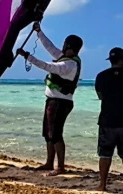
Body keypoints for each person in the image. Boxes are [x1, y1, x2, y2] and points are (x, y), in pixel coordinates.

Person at [16, 22, 83, 175]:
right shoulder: (64, 57)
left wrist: (27, 56)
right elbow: (50, 47)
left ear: (70, 47)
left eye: (66, 46)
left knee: (56, 134)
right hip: (53, 101)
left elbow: (47, 66)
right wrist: (39, 32)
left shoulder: (69, 64)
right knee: (48, 133)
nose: (64, 48)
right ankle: (48, 163)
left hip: (60, 103)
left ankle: (60, 167)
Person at [94, 46, 123, 193]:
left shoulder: (101, 76)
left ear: (110, 61)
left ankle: (102, 185)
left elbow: (100, 96)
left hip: (107, 120)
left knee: (105, 154)